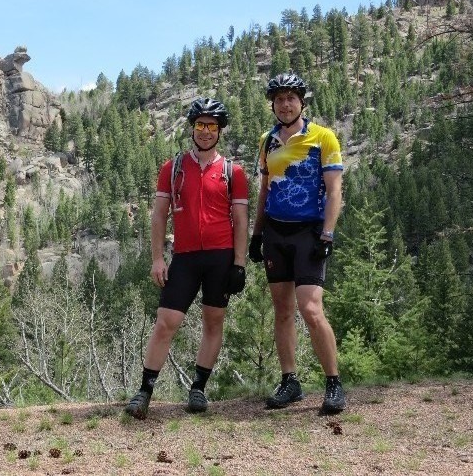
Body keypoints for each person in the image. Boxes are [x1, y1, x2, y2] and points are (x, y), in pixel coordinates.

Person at [124, 97, 249, 420]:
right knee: (166, 322)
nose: (205, 132)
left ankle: (198, 388)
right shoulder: (174, 167)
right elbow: (159, 216)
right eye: (200, 125)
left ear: (219, 130)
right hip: (184, 257)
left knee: (213, 322)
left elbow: (241, 221)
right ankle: (144, 392)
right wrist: (156, 259)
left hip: (220, 257)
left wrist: (239, 263)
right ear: (192, 128)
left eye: (212, 126)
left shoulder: (232, 172)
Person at [249, 72, 346, 414]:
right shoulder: (267, 141)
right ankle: (290, 381)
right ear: (273, 105)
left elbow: (335, 191)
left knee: (311, 309)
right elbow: (264, 190)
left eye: (291, 98)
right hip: (276, 232)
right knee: (283, 311)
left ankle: (333, 383)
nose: (285, 104)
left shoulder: (323, 137)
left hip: (309, 233)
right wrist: (256, 234)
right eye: (279, 99)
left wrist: (327, 234)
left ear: (301, 102)